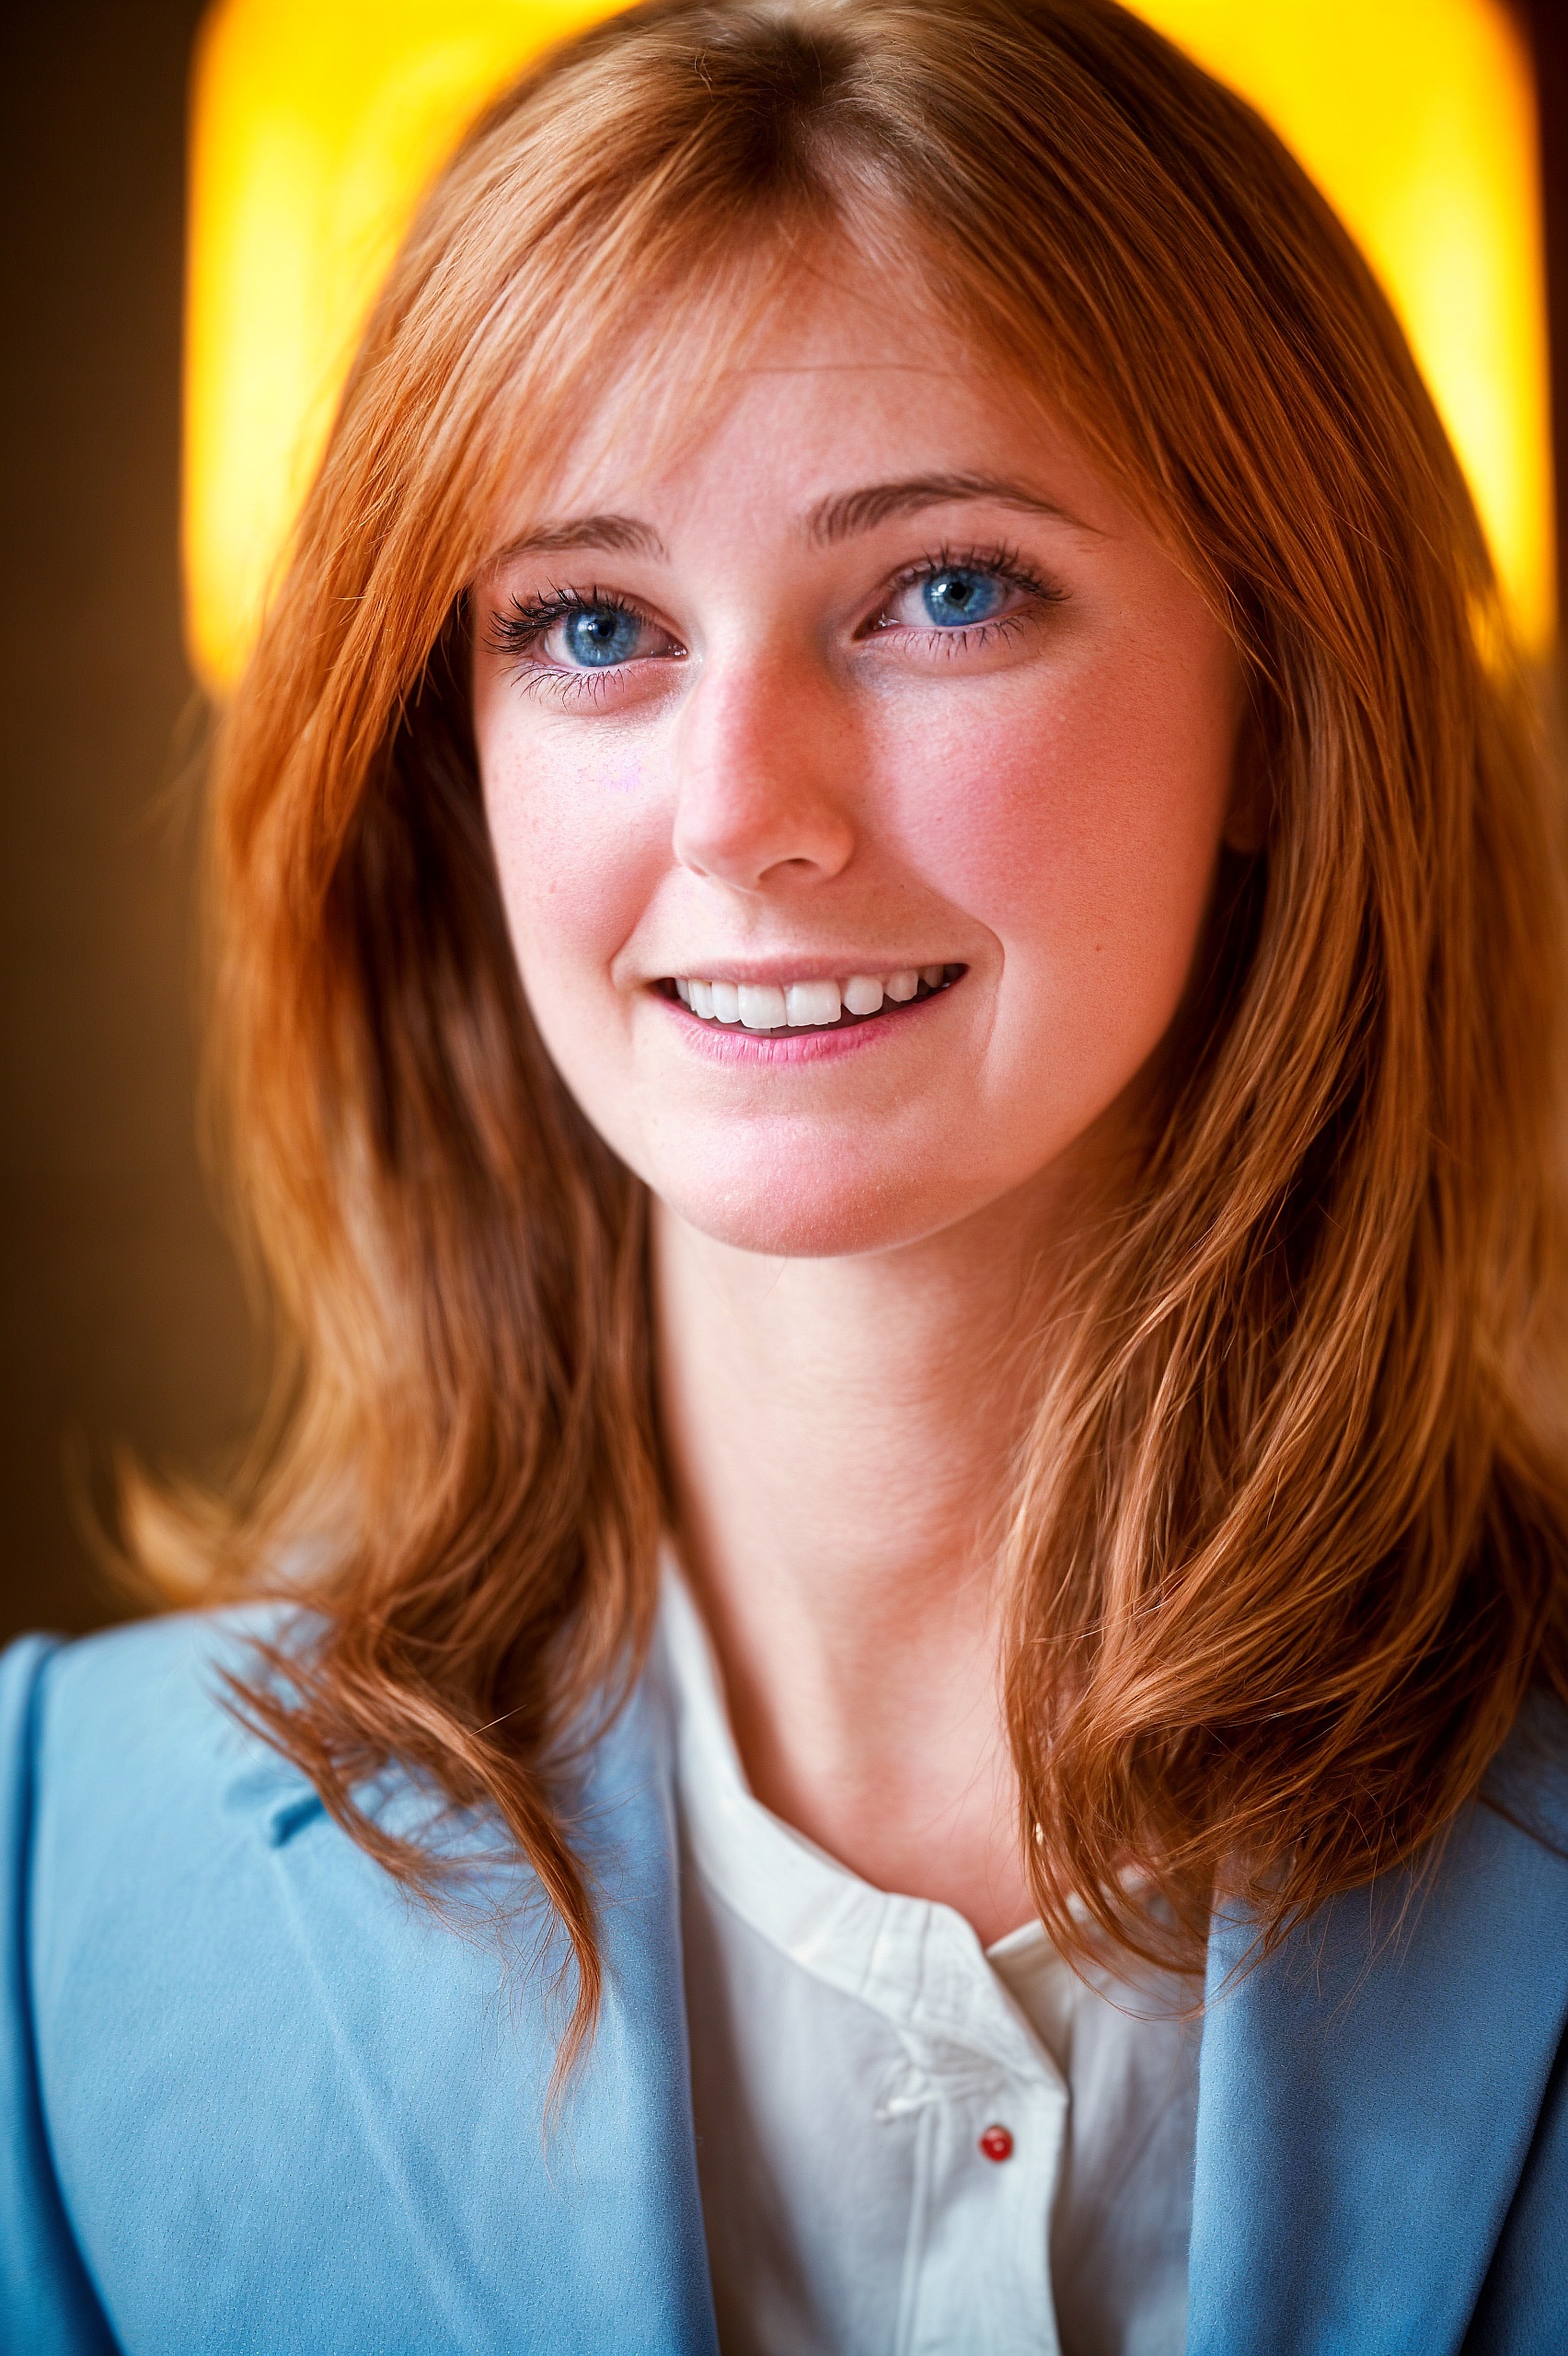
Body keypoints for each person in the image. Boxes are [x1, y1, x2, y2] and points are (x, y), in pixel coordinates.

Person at [5, 0, 1566, 2346]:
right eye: (594, 626)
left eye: (947, 587)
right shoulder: (40, 1890)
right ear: (461, 764)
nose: (744, 807)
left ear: (1282, 697)